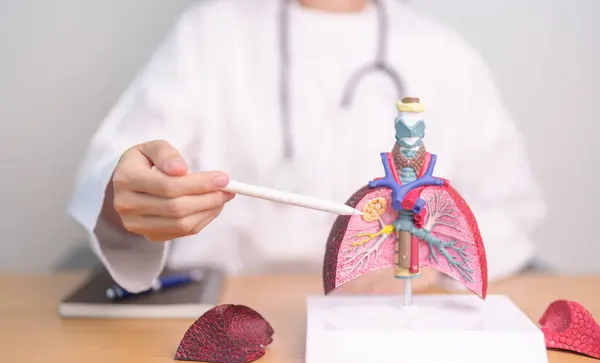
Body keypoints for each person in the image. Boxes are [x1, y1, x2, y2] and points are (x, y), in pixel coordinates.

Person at [68, 0, 545, 295]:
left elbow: (513, 210)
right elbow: (117, 174)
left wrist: (431, 264)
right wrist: (126, 196)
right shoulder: (209, 34)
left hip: (388, 310)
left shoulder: (444, 53)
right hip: (230, 306)